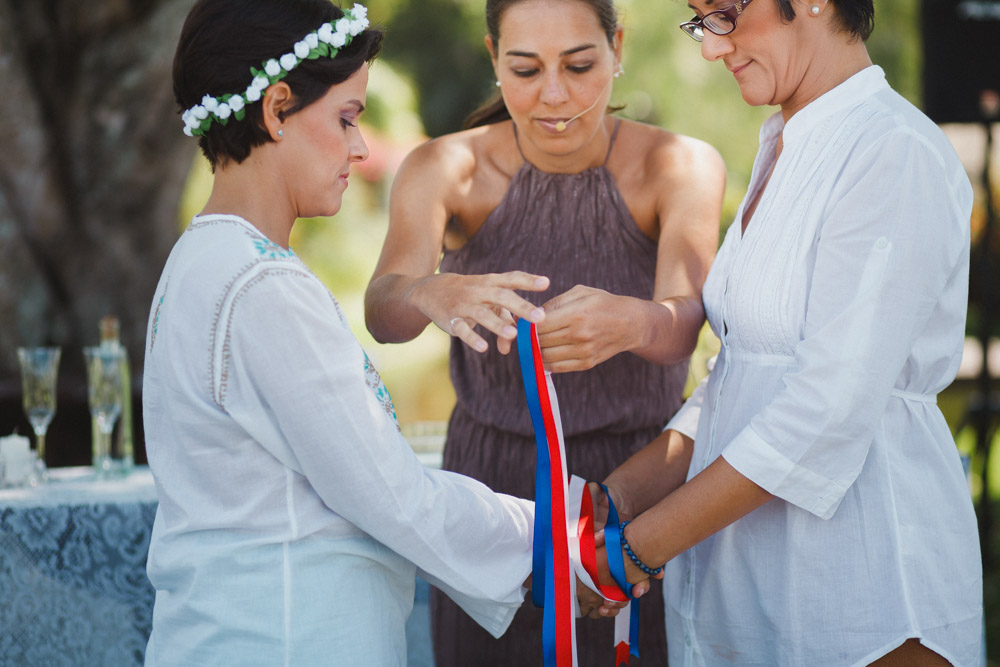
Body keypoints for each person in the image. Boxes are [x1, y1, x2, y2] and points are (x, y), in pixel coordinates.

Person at [142, 1, 630, 663]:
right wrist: (559, 539)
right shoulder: (261, 289)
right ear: (277, 107)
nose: (361, 147)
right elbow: (393, 496)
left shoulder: (199, 261)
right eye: (346, 117)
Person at [587, 0, 984, 664]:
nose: (712, 48)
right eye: (700, 21)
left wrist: (636, 550)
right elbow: (742, 374)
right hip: (751, 580)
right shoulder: (782, 143)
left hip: (865, 585)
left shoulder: (892, 150)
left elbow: (824, 408)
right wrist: (620, 497)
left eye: (723, 14)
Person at [364, 0, 725, 662]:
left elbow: (683, 326)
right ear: (492, 58)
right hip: (490, 488)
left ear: (618, 47)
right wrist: (428, 289)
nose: (554, 96)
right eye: (525, 69)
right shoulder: (446, 167)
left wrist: (631, 321)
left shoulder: (680, 165)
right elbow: (383, 312)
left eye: (580, 65)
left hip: (639, 488)